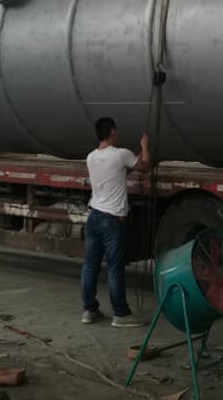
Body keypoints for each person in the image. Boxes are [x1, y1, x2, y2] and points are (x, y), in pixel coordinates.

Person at [80, 116, 151, 327]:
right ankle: (120, 314)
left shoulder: (91, 157)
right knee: (114, 268)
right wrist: (145, 147)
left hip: (94, 217)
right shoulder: (121, 154)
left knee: (90, 267)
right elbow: (145, 167)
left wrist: (134, 159)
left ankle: (89, 310)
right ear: (112, 132)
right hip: (112, 221)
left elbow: (119, 171)